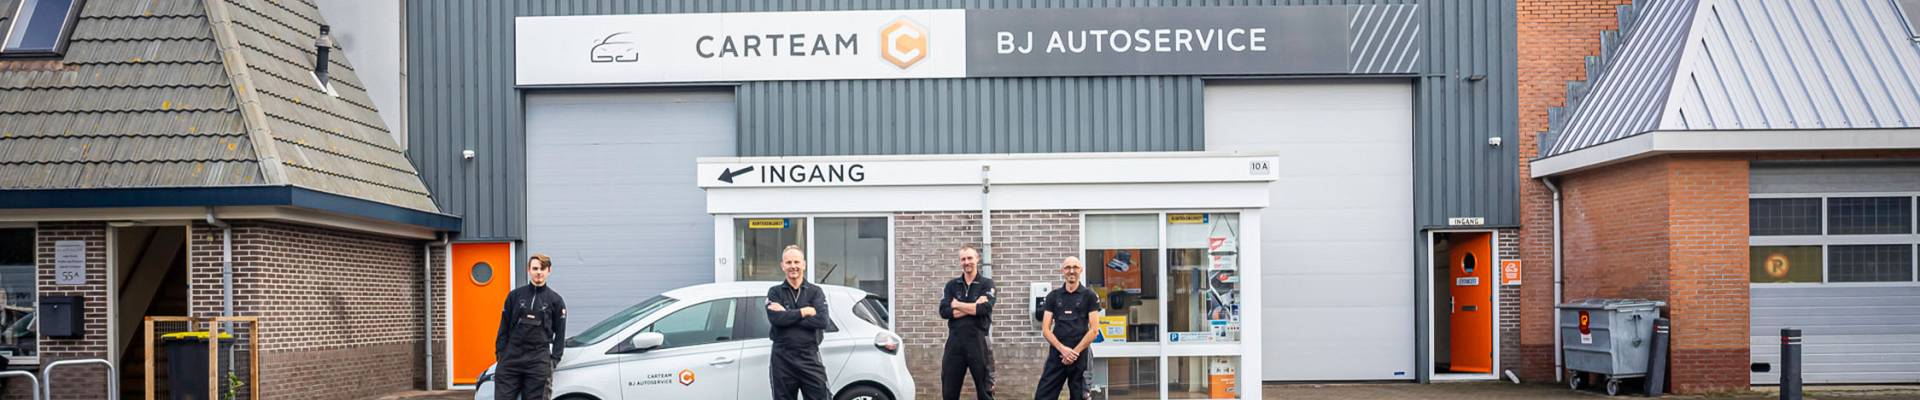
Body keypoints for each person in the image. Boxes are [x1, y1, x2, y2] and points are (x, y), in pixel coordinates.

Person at [494, 253, 567, 400]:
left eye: (542, 269)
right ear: (529, 270)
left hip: (538, 361)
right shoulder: (514, 296)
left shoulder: (556, 301)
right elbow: (504, 327)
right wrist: (501, 354)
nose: (539, 272)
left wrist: (553, 360)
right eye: (535, 268)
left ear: (549, 271)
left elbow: (560, 334)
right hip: (511, 359)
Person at [766, 245, 836, 400]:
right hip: (782, 359)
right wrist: (804, 312)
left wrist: (787, 313)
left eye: (796, 262)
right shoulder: (774, 292)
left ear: (804, 264)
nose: (793, 266)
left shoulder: (815, 292)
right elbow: (776, 319)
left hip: (809, 356)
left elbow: (822, 321)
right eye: (789, 262)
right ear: (782, 266)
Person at [1035, 256, 1100, 400]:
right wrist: (1063, 350)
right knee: (1043, 396)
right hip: (1057, 355)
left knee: (1080, 397)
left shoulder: (1090, 296)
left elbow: (1094, 330)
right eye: (1067, 268)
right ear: (1062, 271)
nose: (1071, 271)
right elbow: (1046, 329)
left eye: (1075, 267)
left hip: (1081, 356)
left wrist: (1074, 353)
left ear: (1081, 270)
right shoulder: (1053, 297)